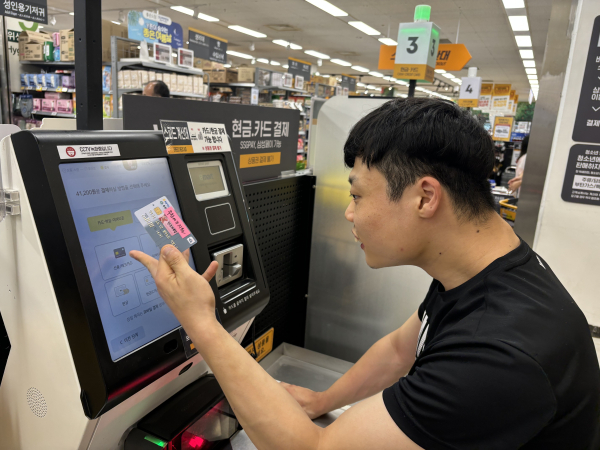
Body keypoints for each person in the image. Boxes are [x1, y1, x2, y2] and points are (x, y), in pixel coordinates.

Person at [131, 98, 600, 449]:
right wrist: (323, 400)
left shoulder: (497, 355)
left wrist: (201, 323)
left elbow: (312, 449)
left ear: (425, 197)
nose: (349, 213)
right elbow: (400, 349)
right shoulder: (487, 270)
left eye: (357, 195)